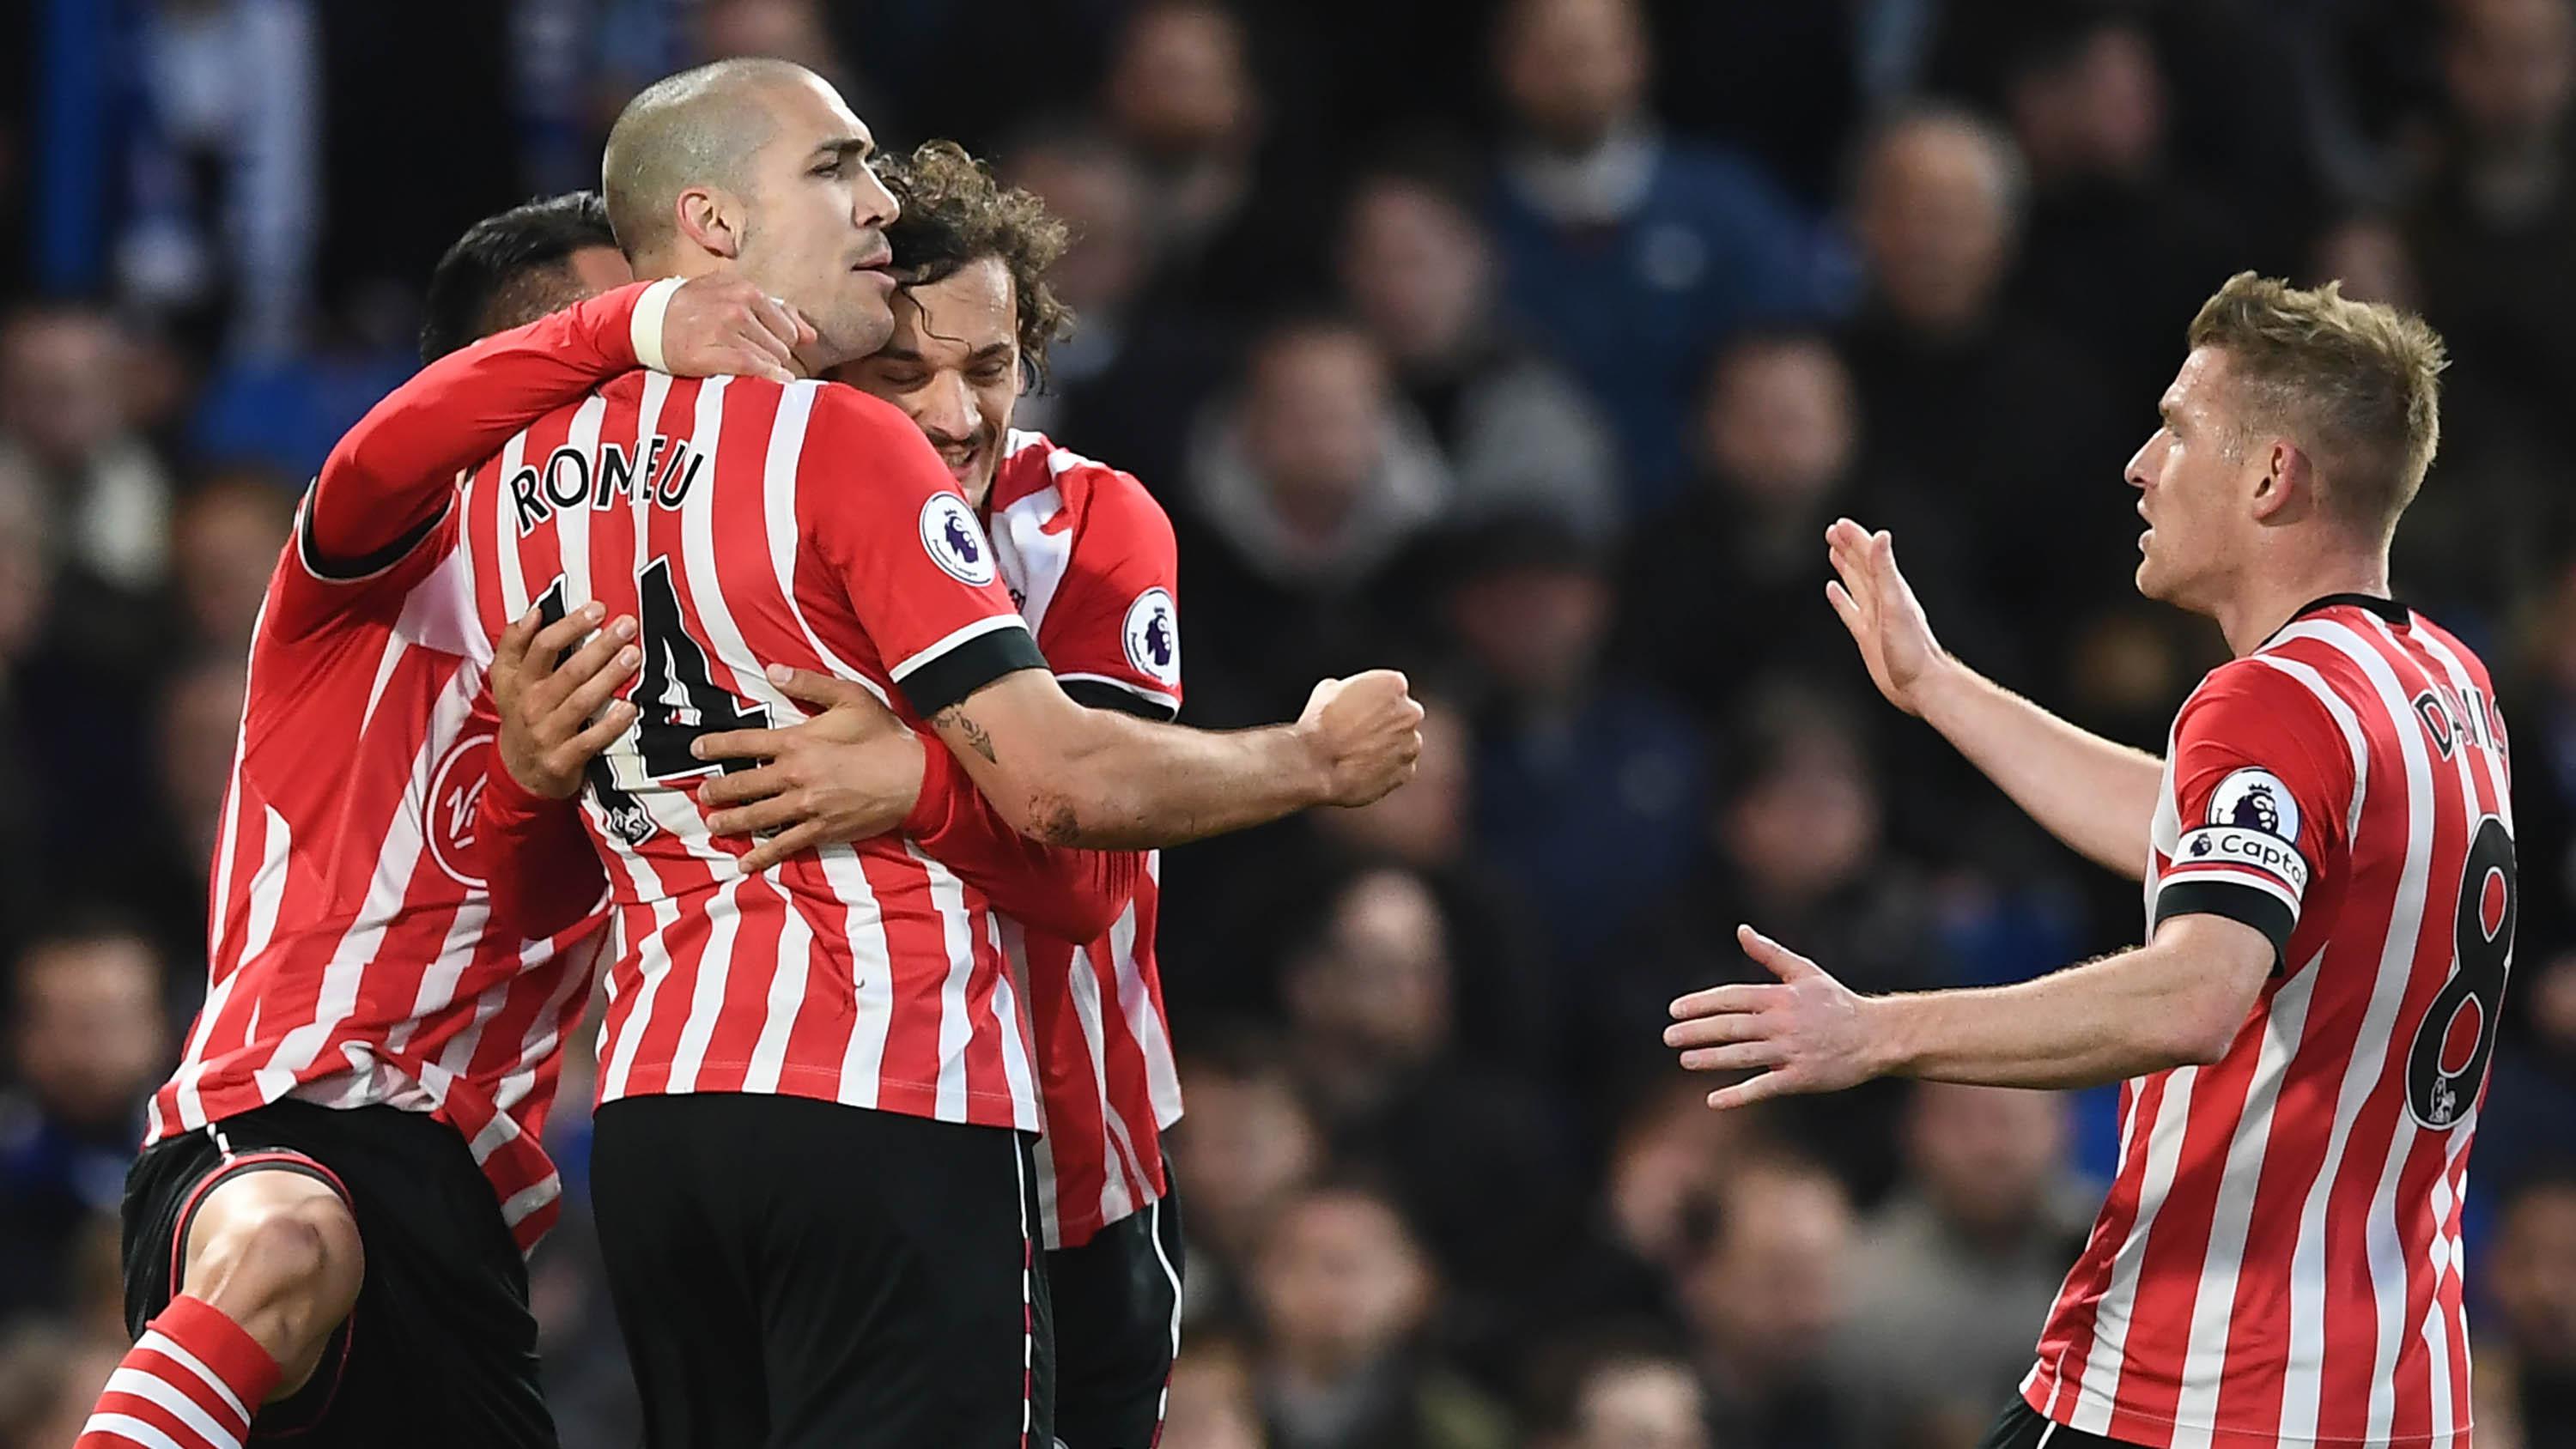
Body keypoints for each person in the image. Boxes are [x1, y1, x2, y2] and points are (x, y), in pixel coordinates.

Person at [450, 58, 1419, 1448]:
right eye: (906, 372)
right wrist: (531, 770)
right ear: (833, 356)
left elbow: (1091, 884)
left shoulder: (1091, 520)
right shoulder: (779, 477)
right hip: (888, 1108)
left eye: (995, 369)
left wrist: (911, 781)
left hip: (1075, 1154)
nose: (960, 417)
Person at [1667, 272, 2502, 1448]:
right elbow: (2207, 841)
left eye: (2176, 429)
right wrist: (1937, 688)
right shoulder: (2441, 687)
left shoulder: (2267, 701)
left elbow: (2196, 993)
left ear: (2271, 478)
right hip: (2394, 1389)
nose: (2140, 465)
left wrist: (1877, 1033)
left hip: (2203, 1387)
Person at [74, 196, 810, 1449]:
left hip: (471, 1220)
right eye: (625, 338)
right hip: (286, 1117)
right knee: (290, 1249)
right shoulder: (373, 568)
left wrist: (532, 777)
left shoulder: (650, 630)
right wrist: (639, 319)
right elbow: (375, 458)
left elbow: (524, 893)